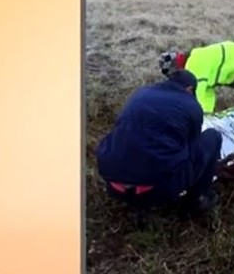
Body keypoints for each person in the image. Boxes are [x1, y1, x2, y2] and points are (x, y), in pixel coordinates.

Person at [95, 70, 222, 220]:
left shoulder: (140, 94)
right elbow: (192, 148)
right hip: (157, 190)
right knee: (213, 137)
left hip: (113, 184)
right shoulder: (191, 105)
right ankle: (197, 200)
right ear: (189, 89)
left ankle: (137, 204)